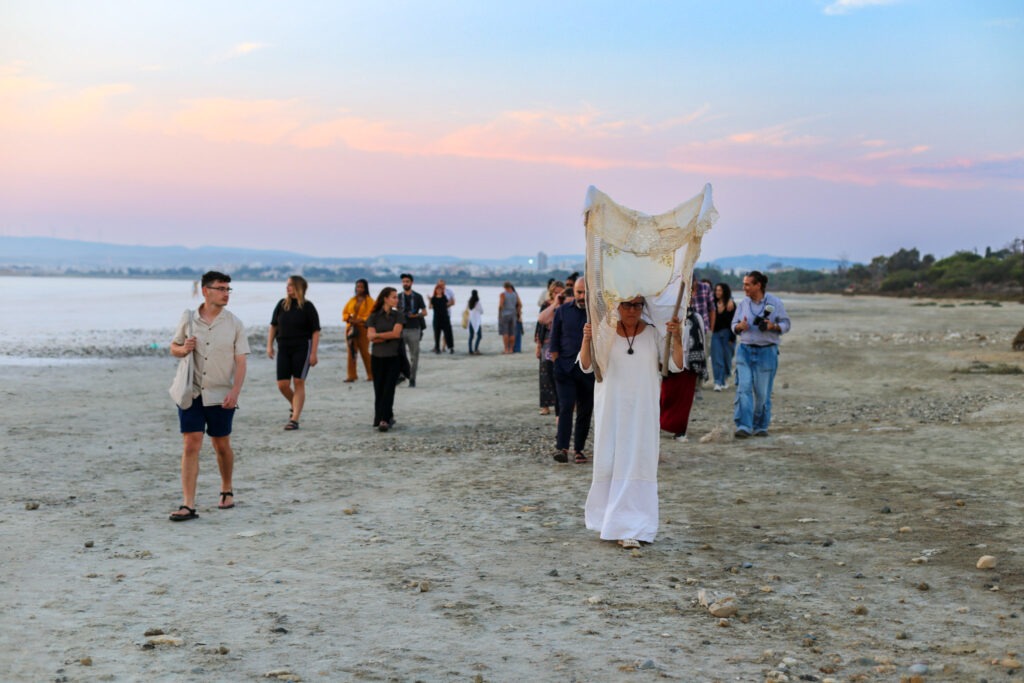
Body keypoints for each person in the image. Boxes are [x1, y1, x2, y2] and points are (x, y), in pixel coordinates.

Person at [579, 297, 684, 549]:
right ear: (618, 306)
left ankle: (635, 526)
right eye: (627, 305)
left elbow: (676, 365)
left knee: (638, 460)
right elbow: (585, 365)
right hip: (612, 408)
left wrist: (677, 338)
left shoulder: (653, 334)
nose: (632, 310)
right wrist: (586, 338)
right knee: (612, 460)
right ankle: (611, 522)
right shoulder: (604, 332)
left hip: (642, 409)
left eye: (638, 305)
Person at [168, 271, 250, 521]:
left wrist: (235, 392)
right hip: (191, 392)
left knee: (221, 444)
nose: (226, 293)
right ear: (206, 291)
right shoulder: (189, 318)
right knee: (191, 442)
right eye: (221, 288)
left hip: (220, 394)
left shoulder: (234, 323)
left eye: (228, 289)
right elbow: (174, 347)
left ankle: (227, 489)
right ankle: (188, 504)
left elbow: (241, 361)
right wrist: (184, 349)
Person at [732, 270, 791, 438]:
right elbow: (734, 324)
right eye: (744, 284)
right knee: (743, 388)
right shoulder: (743, 303)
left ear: (758, 285)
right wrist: (738, 327)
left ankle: (760, 426)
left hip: (767, 352)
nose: (744, 288)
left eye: (747, 284)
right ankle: (743, 425)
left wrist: (773, 326)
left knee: (762, 392)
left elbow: (786, 323)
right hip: (744, 350)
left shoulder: (775, 302)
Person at [548, 277, 594, 463]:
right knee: (566, 407)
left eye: (585, 292)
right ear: (573, 292)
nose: (582, 296)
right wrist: (556, 361)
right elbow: (554, 338)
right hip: (564, 368)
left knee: (585, 410)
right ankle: (562, 448)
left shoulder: (597, 314)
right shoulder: (562, 311)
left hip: (589, 369)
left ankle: (579, 449)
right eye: (579, 292)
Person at [267, 275, 321, 431]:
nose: (287, 287)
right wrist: (269, 346)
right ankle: (295, 405)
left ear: (299, 287)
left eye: (290, 285)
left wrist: (314, 353)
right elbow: (273, 326)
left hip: (302, 348)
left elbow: (315, 331)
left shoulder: (308, 307)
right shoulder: (282, 304)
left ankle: (295, 419)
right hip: (283, 347)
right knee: (282, 385)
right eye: (287, 285)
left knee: (298, 382)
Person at [367, 287, 406, 432]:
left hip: (394, 357)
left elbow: (396, 334)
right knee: (379, 389)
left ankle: (384, 420)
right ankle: (382, 417)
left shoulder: (399, 315)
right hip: (377, 358)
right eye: (394, 297)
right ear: (385, 298)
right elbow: (370, 337)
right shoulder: (374, 316)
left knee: (389, 389)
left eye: (397, 297)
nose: (397, 299)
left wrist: (379, 336)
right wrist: (383, 336)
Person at [535, 280, 564, 415]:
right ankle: (545, 405)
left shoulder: (568, 305)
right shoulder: (547, 305)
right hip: (547, 342)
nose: (558, 294)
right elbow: (540, 325)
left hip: (563, 341)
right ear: (551, 293)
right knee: (546, 373)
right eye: (555, 292)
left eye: (560, 292)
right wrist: (538, 346)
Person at [397, 274, 427, 387]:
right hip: (401, 329)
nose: (405, 283)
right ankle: (400, 375)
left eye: (407, 281)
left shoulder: (418, 296)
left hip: (414, 328)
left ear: (411, 282)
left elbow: (425, 312)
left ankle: (412, 379)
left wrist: (416, 315)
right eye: (403, 281)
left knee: (414, 356)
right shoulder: (398, 296)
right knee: (399, 354)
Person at [343, 278, 374, 383]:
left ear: (365, 288)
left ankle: (371, 374)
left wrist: (362, 319)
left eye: (361, 287)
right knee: (351, 351)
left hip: (363, 328)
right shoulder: (352, 300)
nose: (359, 289)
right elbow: (345, 312)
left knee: (364, 351)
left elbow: (372, 314)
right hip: (351, 328)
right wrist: (348, 318)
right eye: (357, 287)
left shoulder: (369, 301)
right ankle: (351, 375)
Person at [711, 282, 736, 391]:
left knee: (727, 359)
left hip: (727, 334)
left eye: (720, 290)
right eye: (716, 290)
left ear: (725, 291)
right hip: (715, 334)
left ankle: (725, 378)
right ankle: (717, 382)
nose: (717, 292)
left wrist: (732, 337)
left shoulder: (731, 305)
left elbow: (734, 321)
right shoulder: (712, 303)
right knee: (717, 358)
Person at [429, 282, 454, 354]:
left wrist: (451, 302)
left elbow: (447, 305)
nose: (439, 291)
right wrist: (429, 301)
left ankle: (450, 347)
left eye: (440, 289)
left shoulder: (444, 297)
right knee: (437, 334)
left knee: (448, 333)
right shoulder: (433, 298)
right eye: (438, 289)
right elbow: (430, 307)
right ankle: (437, 348)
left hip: (445, 318)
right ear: (435, 290)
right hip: (437, 318)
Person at [498, 281, 520, 354]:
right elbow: (519, 304)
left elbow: (501, 305)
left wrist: (499, 313)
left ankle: (506, 349)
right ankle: (511, 349)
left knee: (505, 332)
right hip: (513, 314)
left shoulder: (503, 294)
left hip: (505, 314)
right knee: (512, 332)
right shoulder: (515, 294)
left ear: (504, 287)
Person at [466, 289, 484, 354]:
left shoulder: (469, 301)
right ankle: (476, 349)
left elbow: (468, 310)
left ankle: (470, 350)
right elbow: (482, 311)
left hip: (470, 320)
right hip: (476, 321)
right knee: (479, 336)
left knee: (471, 336)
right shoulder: (478, 302)